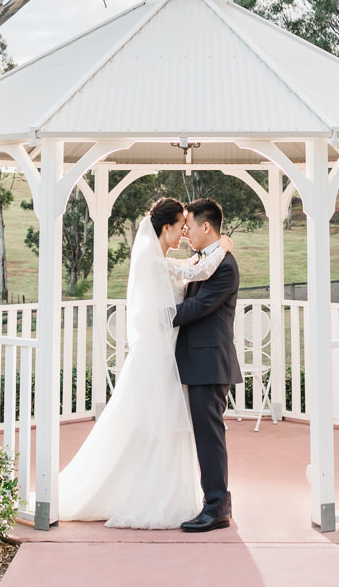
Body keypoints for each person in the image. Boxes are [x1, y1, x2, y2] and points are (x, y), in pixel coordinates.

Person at [57, 197, 233, 528]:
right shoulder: (155, 263)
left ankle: (201, 498)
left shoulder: (165, 261)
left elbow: (197, 274)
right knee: (152, 427)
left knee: (164, 428)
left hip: (174, 355)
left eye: (188, 226)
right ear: (165, 228)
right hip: (160, 355)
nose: (184, 232)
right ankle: (159, 495)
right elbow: (199, 272)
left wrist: (217, 251)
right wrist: (222, 246)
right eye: (181, 227)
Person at [172, 196, 239, 532]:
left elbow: (199, 306)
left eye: (190, 226)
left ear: (206, 226)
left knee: (209, 436)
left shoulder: (225, 267)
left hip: (210, 363)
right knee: (204, 434)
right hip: (196, 361)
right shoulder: (206, 260)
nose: (186, 233)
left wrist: (160, 317)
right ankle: (215, 502)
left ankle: (217, 507)